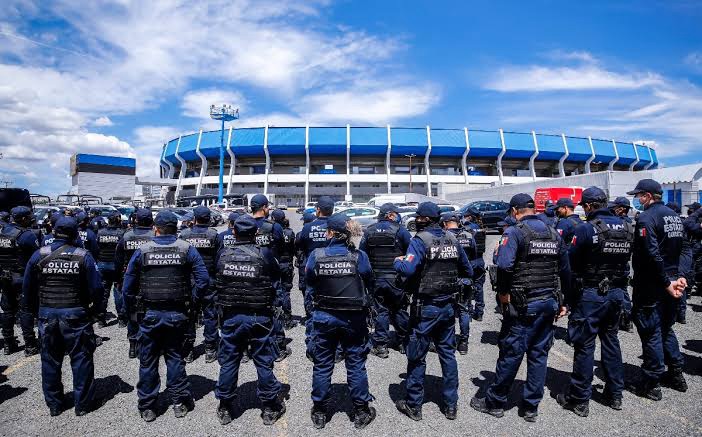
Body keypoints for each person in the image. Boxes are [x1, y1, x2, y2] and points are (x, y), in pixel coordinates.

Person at [471, 193, 569, 423]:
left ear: (515, 211)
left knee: (511, 353)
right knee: (538, 355)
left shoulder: (515, 232)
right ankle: (530, 407)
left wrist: (503, 293)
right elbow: (565, 270)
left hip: (523, 303)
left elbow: (504, 265)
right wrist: (565, 302)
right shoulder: (553, 232)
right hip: (548, 302)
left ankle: (495, 402)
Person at [122, 210, 211, 422]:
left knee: (148, 360)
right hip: (177, 313)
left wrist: (131, 314)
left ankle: (148, 406)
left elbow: (127, 289)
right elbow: (203, 280)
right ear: (176, 228)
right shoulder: (187, 249)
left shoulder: (142, 250)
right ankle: (179, 402)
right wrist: (193, 302)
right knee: (175, 357)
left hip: (149, 314)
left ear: (156, 228)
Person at [556, 187, 632, 416]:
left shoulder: (586, 229)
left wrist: (567, 299)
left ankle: (579, 398)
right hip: (617, 292)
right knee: (611, 341)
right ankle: (615, 393)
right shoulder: (627, 226)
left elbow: (569, 266)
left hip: (591, 294)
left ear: (588, 206)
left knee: (584, 345)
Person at [394, 202, 473, 422]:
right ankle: (450, 405)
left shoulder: (419, 241)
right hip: (447, 307)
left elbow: (408, 269)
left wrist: (397, 262)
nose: (417, 219)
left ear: (424, 219)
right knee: (447, 355)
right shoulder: (452, 239)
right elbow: (467, 270)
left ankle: (414, 405)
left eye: (419, 217)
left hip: (425, 309)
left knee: (417, 356)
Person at [21, 217, 105, 416]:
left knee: (50, 360)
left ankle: (55, 405)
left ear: (54, 231)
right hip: (76, 314)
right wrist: (93, 311)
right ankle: (83, 405)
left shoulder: (38, 255)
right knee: (81, 359)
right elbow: (97, 289)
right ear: (76, 234)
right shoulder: (84, 256)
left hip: (47, 314)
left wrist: (35, 313)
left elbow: (28, 289)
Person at [306, 213, 376, 429]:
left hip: (324, 317)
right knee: (355, 364)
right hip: (353, 319)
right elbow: (370, 282)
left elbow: (310, 283)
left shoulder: (316, 255)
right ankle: (361, 411)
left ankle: (319, 411)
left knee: (323, 364)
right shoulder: (359, 256)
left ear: (329, 233)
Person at [213, 215, 286, 426]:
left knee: (229, 361)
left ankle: (225, 406)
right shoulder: (264, 254)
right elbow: (275, 281)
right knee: (263, 361)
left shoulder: (223, 254)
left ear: (233, 232)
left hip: (231, 316)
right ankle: (270, 407)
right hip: (259, 316)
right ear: (256, 234)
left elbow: (216, 280)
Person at [627, 179, 688, 400]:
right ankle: (676, 373)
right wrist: (679, 276)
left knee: (650, 330)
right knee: (665, 328)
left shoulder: (646, 217)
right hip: (670, 281)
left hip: (653, 284)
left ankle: (651, 382)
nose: (637, 199)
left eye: (639, 195)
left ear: (648, 196)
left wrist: (665, 282)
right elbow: (684, 249)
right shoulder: (675, 217)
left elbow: (652, 254)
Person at [360, 203, 411, 358]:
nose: (398, 216)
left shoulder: (369, 231)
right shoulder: (401, 231)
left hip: (376, 279)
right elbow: (411, 254)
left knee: (380, 311)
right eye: (396, 213)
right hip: (397, 279)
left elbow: (363, 256)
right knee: (399, 309)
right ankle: (403, 341)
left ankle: (381, 345)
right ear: (389, 215)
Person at [249, 195, 290, 361]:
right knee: (275, 309)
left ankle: (251, 346)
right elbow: (280, 247)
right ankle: (279, 346)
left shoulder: (244, 223)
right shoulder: (274, 227)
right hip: (270, 273)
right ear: (265, 207)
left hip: (249, 272)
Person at [178, 205, 219, 363]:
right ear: (208, 218)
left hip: (190, 281)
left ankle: (188, 350)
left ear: (194, 219)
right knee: (210, 315)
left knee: (189, 315)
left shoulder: (184, 235)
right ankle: (210, 348)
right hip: (209, 280)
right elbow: (218, 259)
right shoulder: (214, 235)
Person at [296, 196, 335, 359]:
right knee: (333, 308)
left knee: (312, 310)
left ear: (318, 209)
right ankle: (333, 346)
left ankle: (313, 346)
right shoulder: (336, 226)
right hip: (333, 273)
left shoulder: (307, 228)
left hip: (311, 272)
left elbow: (300, 248)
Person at [0, 206, 40, 355]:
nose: (31, 219)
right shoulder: (27, 235)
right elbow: (38, 256)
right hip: (21, 278)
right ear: (23, 219)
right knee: (26, 310)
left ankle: (8, 344)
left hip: (5, 277)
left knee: (7, 311)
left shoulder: (3, 233)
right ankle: (30, 345)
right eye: (29, 217)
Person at [115, 208, 155, 358]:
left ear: (136, 220)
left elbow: (118, 261)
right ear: (151, 220)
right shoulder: (154, 236)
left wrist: (119, 280)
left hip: (130, 279)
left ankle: (133, 344)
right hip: (150, 279)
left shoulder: (126, 237)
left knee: (132, 312)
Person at [440, 212, 478, 355]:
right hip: (466, 279)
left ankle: (448, 341)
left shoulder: (442, 237)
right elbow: (474, 256)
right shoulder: (468, 236)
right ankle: (463, 343)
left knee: (448, 311)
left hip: (448, 280)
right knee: (464, 311)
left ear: (444, 224)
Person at [608, 197, 635, 331]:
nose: (613, 209)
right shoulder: (629, 224)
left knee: (618, 291)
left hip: (617, 263)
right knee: (623, 291)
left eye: (616, 207)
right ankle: (627, 320)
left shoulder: (621, 223)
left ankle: (623, 320)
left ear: (622, 209)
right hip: (624, 262)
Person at [95, 211, 125, 328]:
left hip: (102, 265)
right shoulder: (122, 233)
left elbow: (96, 248)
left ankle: (101, 319)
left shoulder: (100, 233)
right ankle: (121, 319)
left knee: (103, 292)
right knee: (118, 292)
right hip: (116, 266)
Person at [271, 209, 296, 329]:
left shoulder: (270, 231)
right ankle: (287, 319)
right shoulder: (289, 233)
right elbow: (294, 249)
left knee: (274, 291)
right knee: (286, 292)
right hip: (286, 264)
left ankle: (275, 317)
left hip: (275, 263)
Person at [462, 208, 487, 322]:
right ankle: (479, 312)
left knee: (466, 287)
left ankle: (467, 310)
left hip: (470, 262)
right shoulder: (481, 228)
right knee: (479, 287)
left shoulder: (466, 229)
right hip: (480, 261)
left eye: (465, 216)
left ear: (469, 217)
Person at [295, 211, 317, 308]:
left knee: (305, 289)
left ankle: (309, 311)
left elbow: (296, 247)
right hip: (317, 263)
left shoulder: (301, 234)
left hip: (304, 263)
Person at [683, 202, 702, 298]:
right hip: (695, 246)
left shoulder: (695, 222)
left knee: (691, 269)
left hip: (695, 246)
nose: (689, 211)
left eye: (691, 209)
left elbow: (688, 225)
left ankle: (689, 289)